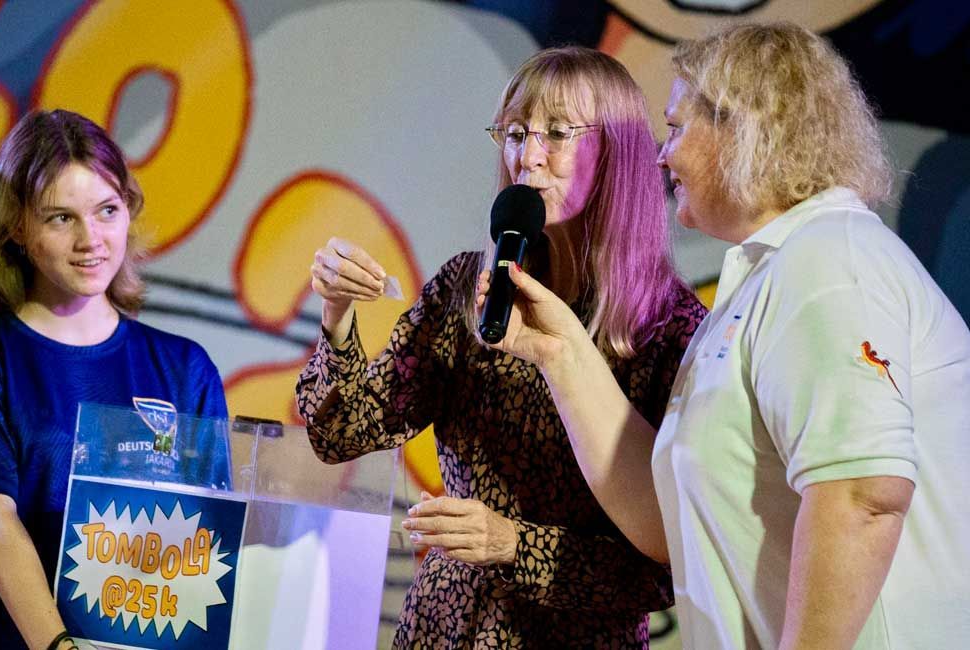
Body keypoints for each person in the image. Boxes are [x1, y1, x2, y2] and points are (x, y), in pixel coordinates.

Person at [481, 22, 970, 650]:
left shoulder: (829, 259)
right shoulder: (764, 277)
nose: (662, 153)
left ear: (744, 128)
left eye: (679, 126)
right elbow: (669, 523)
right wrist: (558, 348)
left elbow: (861, 495)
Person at [296, 46, 706, 648]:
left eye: (557, 133)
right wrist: (335, 314)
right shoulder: (470, 286)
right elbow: (340, 434)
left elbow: (666, 569)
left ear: (616, 152)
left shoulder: (669, 327)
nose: (527, 156)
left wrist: (512, 543)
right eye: (515, 133)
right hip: (441, 629)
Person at [0, 109, 229, 650]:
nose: (92, 239)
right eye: (61, 218)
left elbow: (213, 540)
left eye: (107, 211)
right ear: (18, 228)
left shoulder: (185, 368)